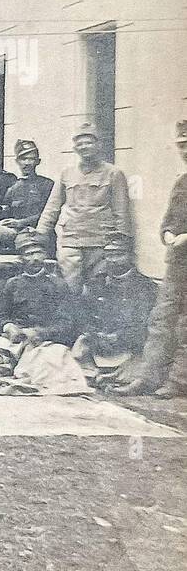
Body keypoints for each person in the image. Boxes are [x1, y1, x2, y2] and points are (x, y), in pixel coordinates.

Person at [114, 119, 187, 397]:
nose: (185, 150)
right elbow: (168, 221)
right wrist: (168, 234)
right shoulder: (181, 182)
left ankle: (178, 381)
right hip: (177, 263)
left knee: (185, 325)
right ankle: (149, 377)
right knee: (161, 319)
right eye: (181, 145)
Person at [36, 122, 134, 291]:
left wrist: (120, 243)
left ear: (99, 145)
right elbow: (52, 207)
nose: (83, 147)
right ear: (74, 148)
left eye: (88, 142)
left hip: (100, 241)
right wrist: (40, 234)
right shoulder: (66, 173)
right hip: (71, 240)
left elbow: (122, 212)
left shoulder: (114, 173)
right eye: (79, 143)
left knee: (98, 288)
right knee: (69, 286)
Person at [70, 232, 157, 387]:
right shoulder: (95, 284)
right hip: (98, 345)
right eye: (109, 255)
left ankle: (111, 376)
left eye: (119, 254)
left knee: (135, 367)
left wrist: (118, 337)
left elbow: (146, 324)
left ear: (131, 256)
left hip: (128, 347)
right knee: (77, 352)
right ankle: (95, 374)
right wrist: (94, 334)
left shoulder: (146, 287)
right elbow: (81, 315)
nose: (113, 260)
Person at [0, 139, 54, 253]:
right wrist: (0, 213)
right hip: (16, 232)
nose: (27, 163)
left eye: (31, 159)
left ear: (38, 161)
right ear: (17, 161)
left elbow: (49, 215)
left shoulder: (47, 185)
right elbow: (6, 211)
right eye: (23, 159)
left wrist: (21, 222)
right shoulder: (13, 187)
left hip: (37, 232)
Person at [0, 231, 76, 347]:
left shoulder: (58, 284)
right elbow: (2, 316)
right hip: (16, 340)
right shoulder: (12, 284)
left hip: (48, 341)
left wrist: (39, 332)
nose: (35, 258)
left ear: (46, 255)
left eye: (39, 253)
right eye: (28, 254)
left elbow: (66, 324)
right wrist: (9, 327)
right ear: (21, 258)